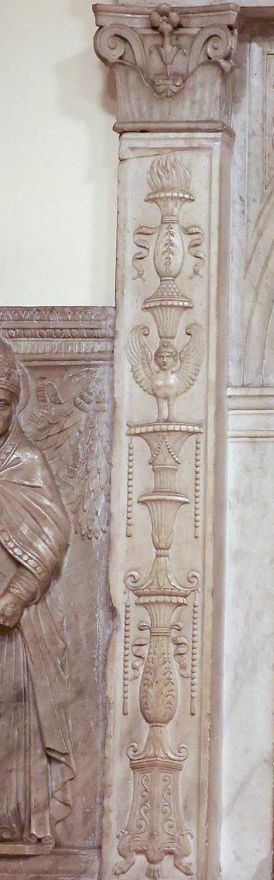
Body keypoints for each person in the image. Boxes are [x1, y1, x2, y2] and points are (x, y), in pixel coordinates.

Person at [0, 341, 73, 851]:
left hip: (13, 622)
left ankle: (13, 819)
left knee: (12, 717)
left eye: (2, 404)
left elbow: (54, 532)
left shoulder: (24, 460)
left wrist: (18, 594)